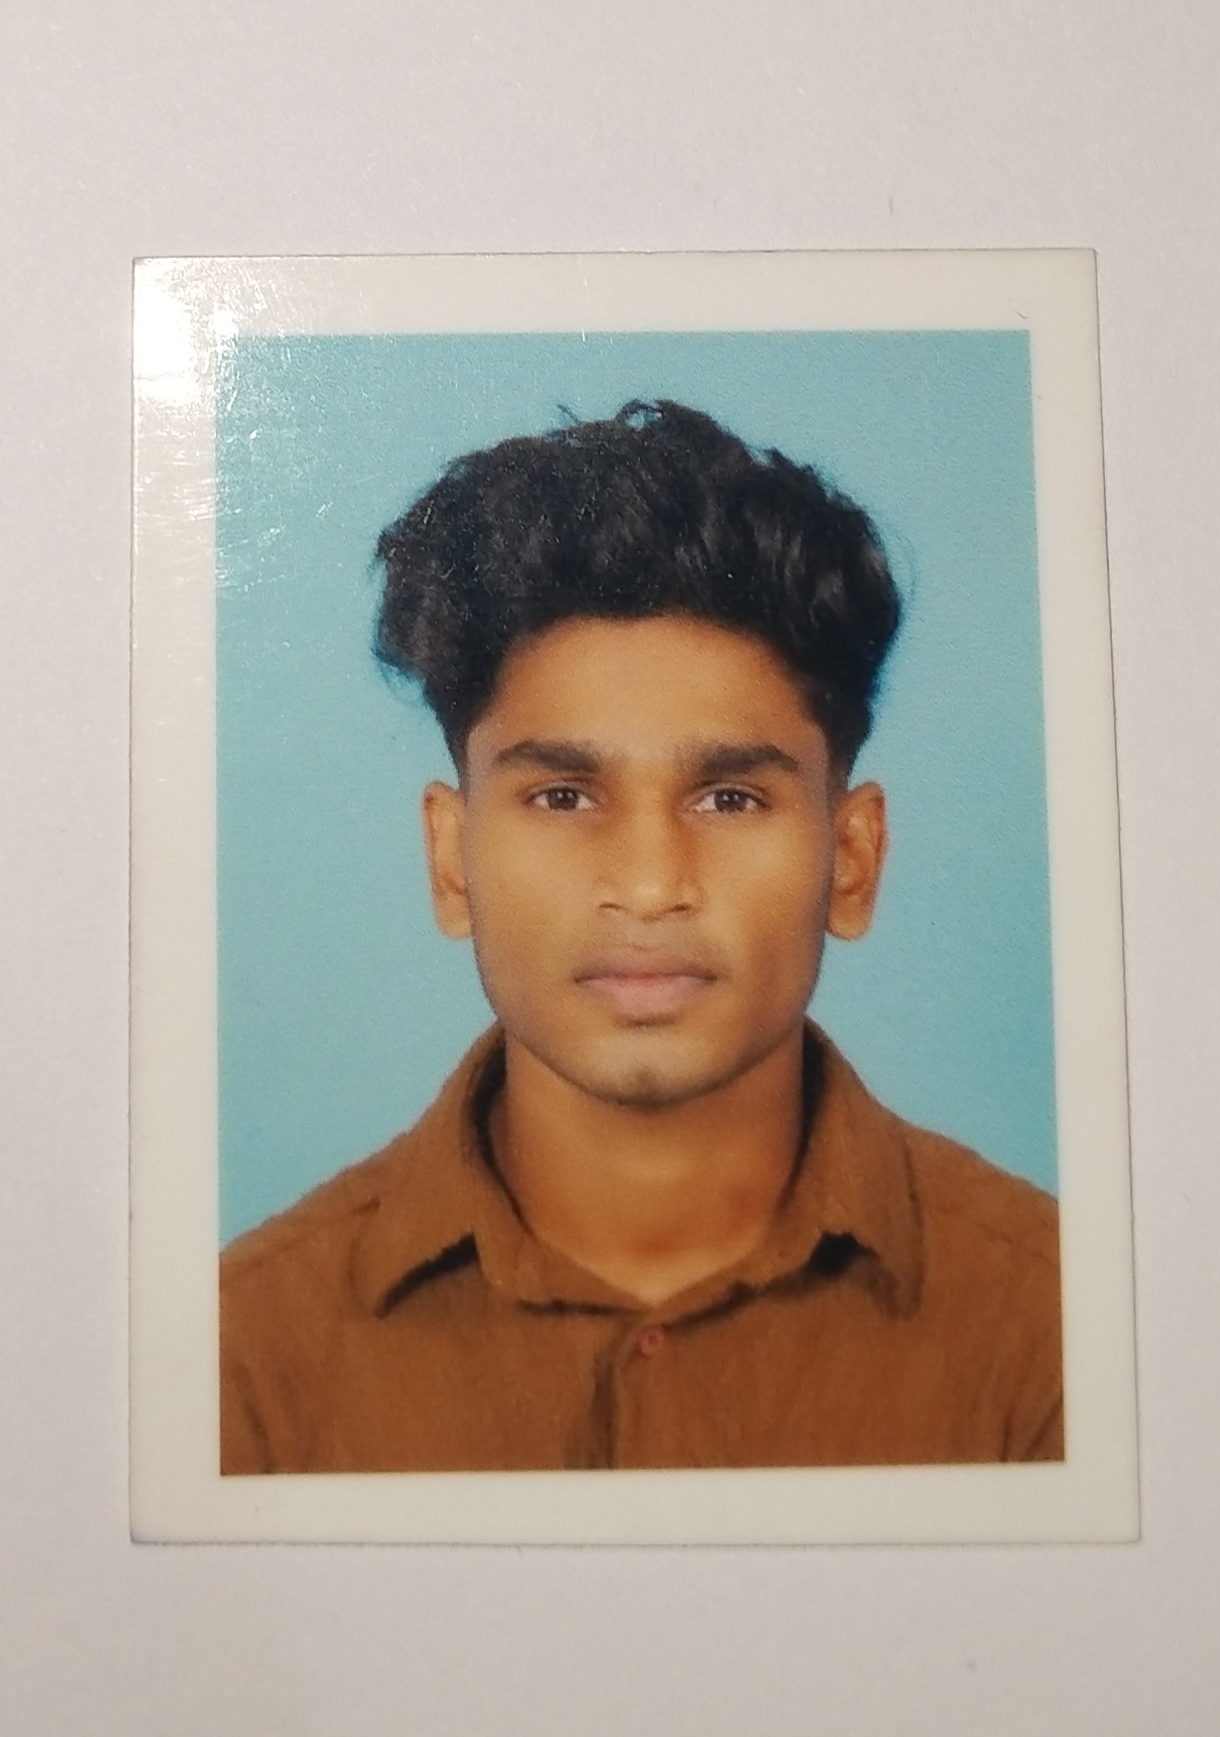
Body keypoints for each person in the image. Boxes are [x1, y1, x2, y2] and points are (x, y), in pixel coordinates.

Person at [220, 400, 1062, 1474]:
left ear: (852, 860)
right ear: (450, 859)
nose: (652, 886)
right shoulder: (241, 1360)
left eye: (729, 799)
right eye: (564, 796)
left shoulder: (1059, 1332)